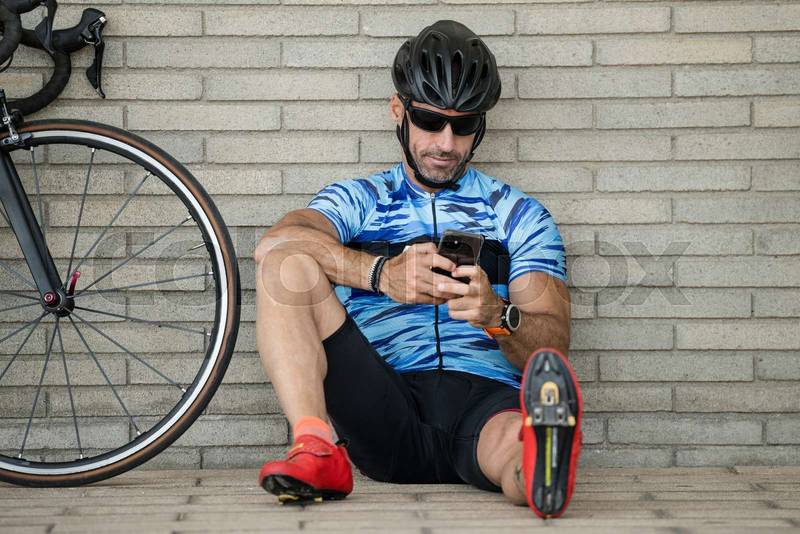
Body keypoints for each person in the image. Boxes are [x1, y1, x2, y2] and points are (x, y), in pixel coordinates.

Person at [253, 19, 584, 519]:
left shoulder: (519, 214)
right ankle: (317, 448)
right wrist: (378, 273)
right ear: (398, 110)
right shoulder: (359, 200)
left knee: (515, 446)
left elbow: (553, 347)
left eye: (464, 126)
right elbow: (273, 245)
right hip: (382, 401)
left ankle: (539, 470)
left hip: (485, 405)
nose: (446, 143)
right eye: (430, 120)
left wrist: (497, 315)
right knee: (286, 265)